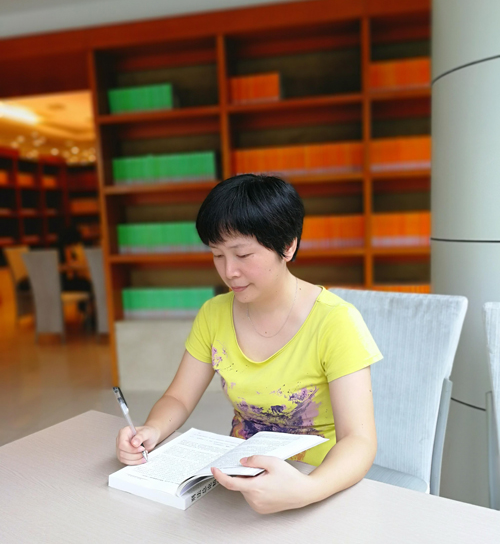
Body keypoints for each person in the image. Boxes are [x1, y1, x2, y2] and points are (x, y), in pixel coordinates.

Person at [116, 174, 383, 514]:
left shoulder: (335, 322)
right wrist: (152, 430)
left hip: (316, 483)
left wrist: (308, 489)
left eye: (242, 254)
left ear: (288, 246)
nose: (229, 271)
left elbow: (359, 440)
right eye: (217, 255)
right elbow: (178, 397)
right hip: (237, 481)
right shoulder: (214, 314)